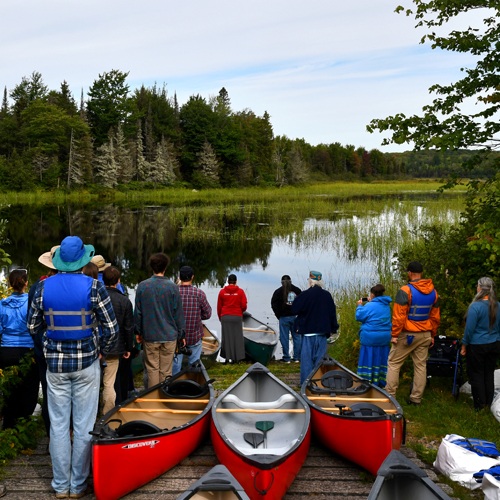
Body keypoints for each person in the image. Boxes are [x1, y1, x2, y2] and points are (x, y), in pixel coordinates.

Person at [27, 236, 118, 499]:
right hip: (87, 364)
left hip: (55, 366)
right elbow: (111, 330)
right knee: (83, 424)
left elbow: (33, 327)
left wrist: (49, 340)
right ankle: (78, 486)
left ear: (57, 261)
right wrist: (98, 345)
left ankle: (59, 486)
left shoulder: (42, 287)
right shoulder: (94, 286)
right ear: (82, 259)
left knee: (57, 426)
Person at [385, 261, 440, 406]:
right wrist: (432, 335)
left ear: (410, 273)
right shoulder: (434, 292)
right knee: (421, 366)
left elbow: (399, 316)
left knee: (393, 363)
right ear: (421, 273)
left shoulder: (405, 290)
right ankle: (416, 399)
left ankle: (390, 397)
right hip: (425, 334)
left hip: (408, 334)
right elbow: (435, 317)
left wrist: (395, 334)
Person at [134, 253, 186, 386]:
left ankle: (152, 401)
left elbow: (138, 313)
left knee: (152, 370)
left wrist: (138, 332)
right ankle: (163, 399)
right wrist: (181, 335)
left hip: (150, 335)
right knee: (166, 371)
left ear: (152, 267)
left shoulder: (142, 286)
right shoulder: (173, 287)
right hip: (169, 336)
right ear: (165, 267)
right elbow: (178, 314)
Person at [0, 269, 40, 429]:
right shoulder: (31, 303)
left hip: (6, 351)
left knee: (9, 388)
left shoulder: (2, 304)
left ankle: (8, 424)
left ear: (9, 284)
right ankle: (25, 423)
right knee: (29, 389)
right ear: (26, 283)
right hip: (28, 351)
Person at [27, 246, 59, 439]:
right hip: (67, 350)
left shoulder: (36, 287)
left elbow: (31, 323)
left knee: (48, 394)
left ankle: (51, 437)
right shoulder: (77, 286)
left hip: (41, 348)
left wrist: (38, 341)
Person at [292, 271, 339, 384]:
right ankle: (318, 383)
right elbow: (332, 313)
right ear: (320, 281)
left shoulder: (305, 295)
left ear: (310, 281)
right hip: (322, 334)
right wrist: (334, 328)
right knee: (320, 361)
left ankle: (306, 384)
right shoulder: (326, 295)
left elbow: (294, 309)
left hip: (308, 334)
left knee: (307, 361)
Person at [460, 277, 500, 411]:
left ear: (480, 289)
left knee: (476, 374)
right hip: (494, 344)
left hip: (477, 345)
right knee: (488, 374)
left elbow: (469, 329)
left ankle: (479, 405)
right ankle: (488, 403)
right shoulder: (497, 305)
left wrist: (464, 345)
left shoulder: (475, 307)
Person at [102, 266, 134, 412]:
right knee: (111, 382)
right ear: (118, 281)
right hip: (115, 347)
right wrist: (128, 348)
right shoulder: (125, 301)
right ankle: (109, 413)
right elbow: (128, 328)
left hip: (96, 347)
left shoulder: (97, 297)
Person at [173, 266, 212, 374]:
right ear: (192, 277)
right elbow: (208, 314)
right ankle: (193, 385)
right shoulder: (199, 294)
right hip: (194, 336)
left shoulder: (173, 293)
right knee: (194, 364)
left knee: (175, 366)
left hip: (177, 337)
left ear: (179, 277)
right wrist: (198, 316)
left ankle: (173, 386)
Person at [355, 284, 392, 387]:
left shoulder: (369, 305)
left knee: (369, 358)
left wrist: (359, 306)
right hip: (384, 337)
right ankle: (380, 380)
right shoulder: (386, 305)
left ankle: (367, 381)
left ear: (372, 294)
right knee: (381, 358)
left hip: (370, 338)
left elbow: (359, 317)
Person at [271, 275, 302, 363]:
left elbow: (274, 305)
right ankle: (296, 358)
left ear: (282, 282)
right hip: (296, 317)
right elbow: (302, 303)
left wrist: (278, 316)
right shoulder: (297, 290)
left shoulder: (278, 291)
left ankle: (286, 358)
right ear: (291, 281)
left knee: (284, 338)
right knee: (297, 337)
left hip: (284, 318)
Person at [217, 274, 247, 364]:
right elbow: (244, 306)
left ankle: (226, 359)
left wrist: (220, 317)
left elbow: (219, 307)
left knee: (226, 338)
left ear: (228, 281)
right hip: (237, 316)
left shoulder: (222, 292)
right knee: (237, 337)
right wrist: (240, 311)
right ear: (236, 282)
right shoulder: (241, 292)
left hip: (225, 316)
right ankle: (236, 359)